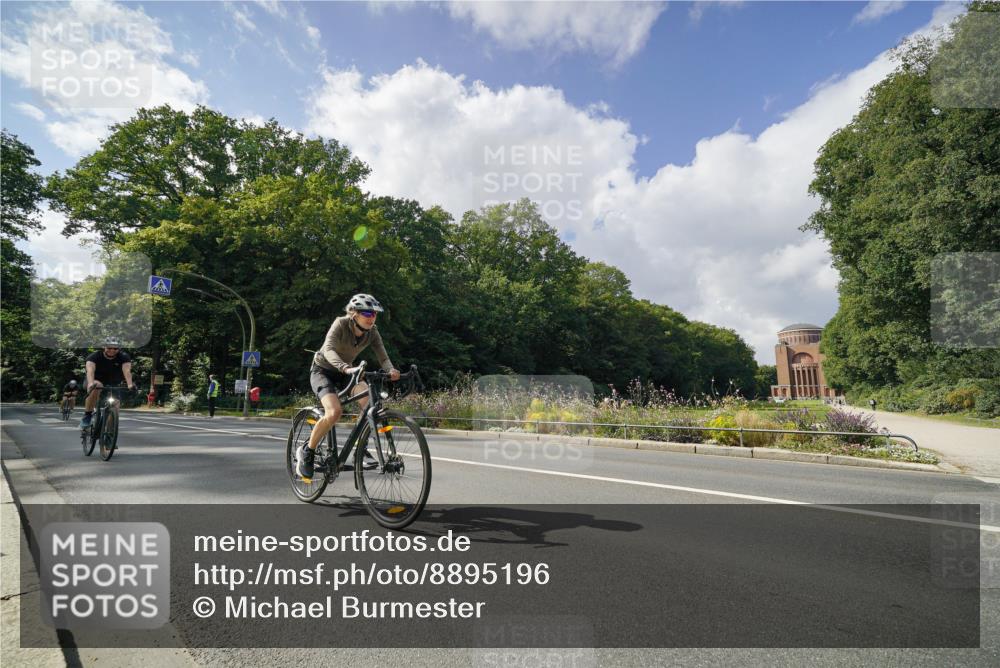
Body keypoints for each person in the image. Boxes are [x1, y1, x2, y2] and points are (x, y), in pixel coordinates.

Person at [297, 293, 399, 479]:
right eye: (367, 314)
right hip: (323, 371)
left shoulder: (372, 332)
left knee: (370, 403)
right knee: (334, 412)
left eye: (374, 314)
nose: (372, 318)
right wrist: (345, 368)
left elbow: (383, 357)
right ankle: (307, 451)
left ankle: (362, 449)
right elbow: (328, 349)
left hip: (348, 372)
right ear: (354, 313)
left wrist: (391, 370)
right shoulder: (340, 324)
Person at [81, 337, 136, 428]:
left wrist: (130, 384)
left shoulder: (124, 357)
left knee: (115, 406)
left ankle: (108, 432)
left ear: (119, 349)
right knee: (97, 385)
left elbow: (127, 371)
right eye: (109, 348)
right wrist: (90, 383)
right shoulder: (94, 356)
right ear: (104, 347)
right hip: (95, 380)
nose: (112, 350)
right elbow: (90, 371)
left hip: (113, 384)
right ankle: (87, 415)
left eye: (115, 348)